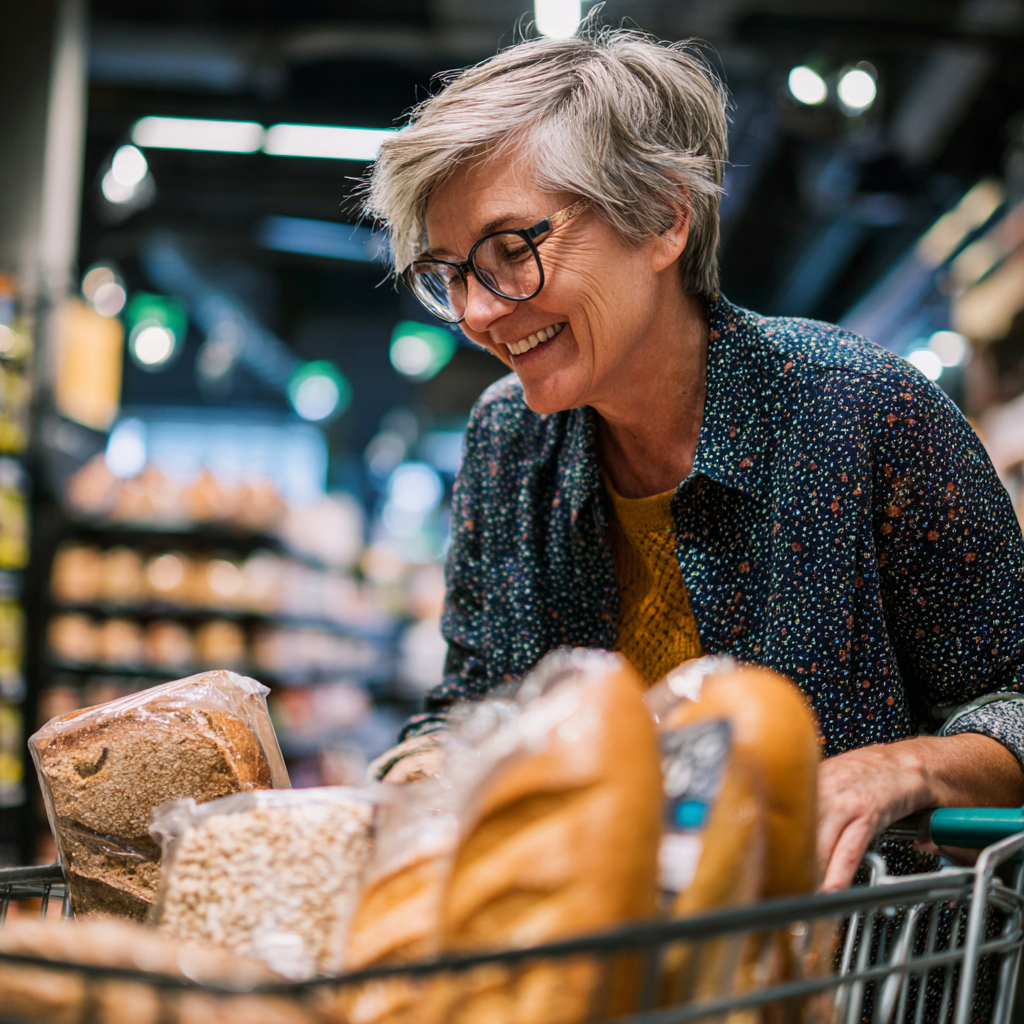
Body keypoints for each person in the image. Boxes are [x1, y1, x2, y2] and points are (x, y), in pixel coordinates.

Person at [364, 26, 1024, 891]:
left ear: (664, 216)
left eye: (511, 252)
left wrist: (904, 767)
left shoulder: (860, 410)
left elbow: (1012, 697)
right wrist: (414, 777)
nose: (479, 312)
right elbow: (474, 701)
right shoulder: (507, 444)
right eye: (448, 272)